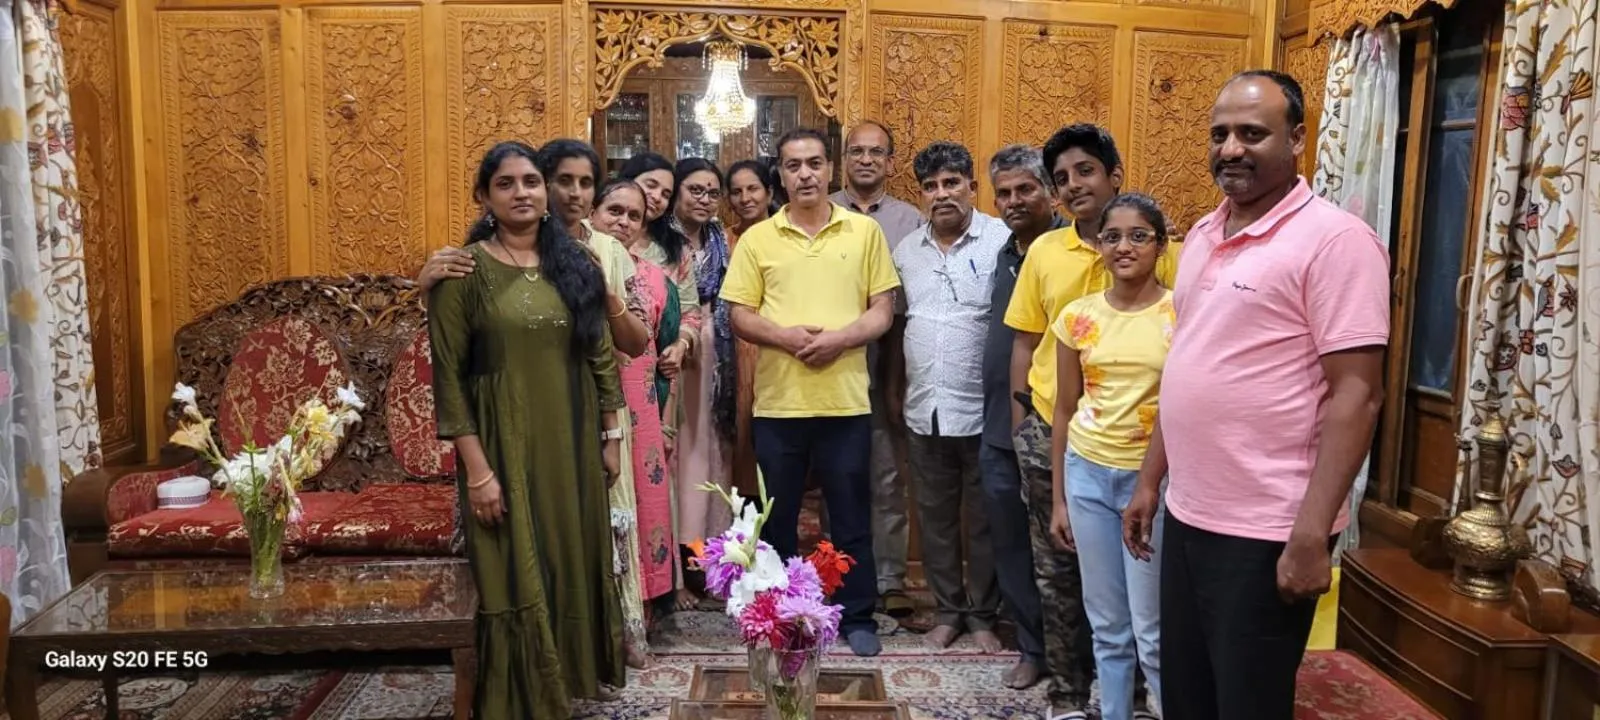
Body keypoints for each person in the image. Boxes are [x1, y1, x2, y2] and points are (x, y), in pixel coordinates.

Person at [1123, 70, 1388, 720]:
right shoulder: (1204, 235)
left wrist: (1309, 536)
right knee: (1186, 695)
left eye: (1252, 133)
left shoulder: (1336, 241)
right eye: (1219, 134)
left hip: (1266, 530)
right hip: (1189, 516)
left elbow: (1358, 395)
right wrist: (1152, 480)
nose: (1231, 149)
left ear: (1296, 138)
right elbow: (1189, 364)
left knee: (1247, 702)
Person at [430, 141, 626, 719]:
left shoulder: (575, 266)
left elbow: (601, 354)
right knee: (511, 563)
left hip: (571, 435)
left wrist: (611, 435)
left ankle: (562, 683)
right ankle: (515, 695)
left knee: (570, 552)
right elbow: (450, 379)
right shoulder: (463, 273)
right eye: (506, 184)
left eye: (530, 183)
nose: (522, 193)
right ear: (485, 198)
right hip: (501, 440)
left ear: (545, 193)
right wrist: (480, 472)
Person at [1004, 123, 1179, 719]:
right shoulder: (1047, 253)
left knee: (1147, 608)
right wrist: (1019, 419)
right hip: (1063, 440)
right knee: (1060, 578)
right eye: (1062, 179)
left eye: (1086, 171)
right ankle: (1069, 697)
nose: (1073, 185)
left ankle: (1140, 700)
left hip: (1149, 459)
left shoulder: (1174, 285)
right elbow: (1026, 343)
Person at [720, 127, 899, 657]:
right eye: (793, 165)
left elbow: (882, 311)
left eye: (815, 163)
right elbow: (738, 314)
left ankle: (857, 614)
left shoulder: (863, 233)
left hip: (846, 402)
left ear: (830, 169)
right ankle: (774, 613)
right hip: (778, 404)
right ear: (780, 174)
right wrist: (787, 337)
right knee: (776, 517)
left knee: (849, 514)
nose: (805, 174)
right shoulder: (758, 240)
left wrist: (840, 340)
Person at [1050, 193, 1175, 720]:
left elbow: (1181, 404)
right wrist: (1059, 497)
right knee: (1108, 626)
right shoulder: (1077, 317)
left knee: (1152, 630)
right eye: (1112, 236)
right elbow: (1063, 409)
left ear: (1161, 245)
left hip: (1155, 482)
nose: (1124, 247)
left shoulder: (1181, 313)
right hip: (1087, 476)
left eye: (1139, 236)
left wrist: (1152, 480)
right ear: (1099, 245)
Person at [890, 141, 1005, 652]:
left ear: (972, 188)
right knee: (934, 520)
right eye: (932, 186)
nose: (942, 194)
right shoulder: (906, 251)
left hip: (984, 410)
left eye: (952, 183)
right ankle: (948, 612)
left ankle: (982, 616)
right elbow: (897, 328)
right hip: (924, 408)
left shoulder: (1001, 241)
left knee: (983, 522)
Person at [417, 139, 649, 357]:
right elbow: (453, 344)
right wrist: (429, 296)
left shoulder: (609, 249)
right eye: (564, 180)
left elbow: (637, 344)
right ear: (541, 185)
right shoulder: (491, 254)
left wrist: (605, 294)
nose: (576, 193)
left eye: (585, 183)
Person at [831, 120, 923, 619]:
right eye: (857, 152)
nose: (866, 160)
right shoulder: (820, 209)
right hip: (832, 359)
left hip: (891, 355)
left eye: (876, 152)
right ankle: (836, 573)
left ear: (890, 161)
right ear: (844, 158)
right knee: (837, 475)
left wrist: (896, 379)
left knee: (887, 474)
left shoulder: (911, 220)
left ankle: (889, 579)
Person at [591, 179, 680, 668]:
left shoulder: (656, 278)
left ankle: (638, 613)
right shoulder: (573, 264)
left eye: (634, 216)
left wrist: (664, 422)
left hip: (641, 407)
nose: (623, 222)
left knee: (643, 508)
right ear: (593, 211)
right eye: (614, 211)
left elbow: (668, 359)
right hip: (587, 404)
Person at [981, 143, 1059, 690]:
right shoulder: (1004, 252)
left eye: (1024, 190)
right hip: (1000, 428)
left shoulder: (1072, 249)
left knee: (1061, 554)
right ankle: (1033, 650)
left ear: (1048, 191)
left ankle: (1077, 656)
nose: (1012, 201)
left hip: (1057, 429)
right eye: (1003, 193)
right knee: (1010, 545)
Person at [724, 159, 777, 499]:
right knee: (735, 440)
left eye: (753, 188)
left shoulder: (785, 235)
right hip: (729, 351)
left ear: (769, 192)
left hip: (773, 347)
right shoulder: (722, 239)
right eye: (736, 191)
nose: (745, 198)